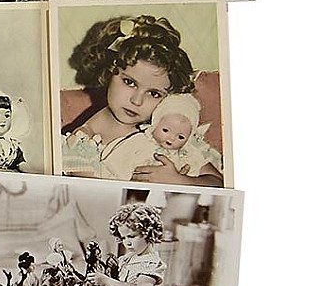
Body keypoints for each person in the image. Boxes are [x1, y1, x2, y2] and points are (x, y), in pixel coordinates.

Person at [61, 14, 223, 185]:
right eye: (129, 82)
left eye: (154, 93)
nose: (137, 101)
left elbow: (217, 183)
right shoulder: (81, 145)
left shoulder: (172, 131)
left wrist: (181, 181)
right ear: (108, 73)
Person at [99, 92, 222, 181]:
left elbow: (217, 181)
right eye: (165, 130)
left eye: (181, 137)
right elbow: (115, 164)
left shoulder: (189, 152)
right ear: (155, 125)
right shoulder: (139, 141)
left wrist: (181, 180)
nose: (171, 138)